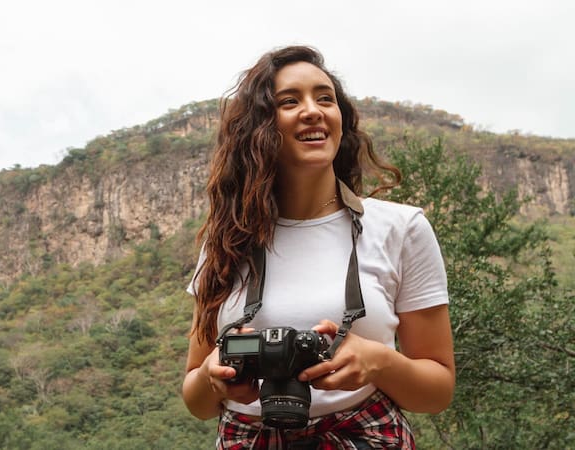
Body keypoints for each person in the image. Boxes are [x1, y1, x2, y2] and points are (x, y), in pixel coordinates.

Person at [181, 45, 455, 449]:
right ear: (258, 128)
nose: (313, 110)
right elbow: (196, 400)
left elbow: (437, 392)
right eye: (289, 102)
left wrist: (379, 362)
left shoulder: (401, 228)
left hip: (366, 436)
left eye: (324, 98)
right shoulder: (227, 239)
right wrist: (213, 378)